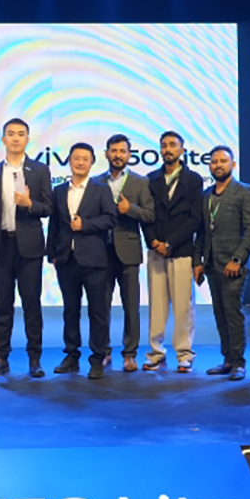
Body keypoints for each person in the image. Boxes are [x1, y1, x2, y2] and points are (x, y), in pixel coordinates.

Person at [0, 118, 53, 377]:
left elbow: (48, 208)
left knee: (31, 305)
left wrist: (29, 203)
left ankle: (35, 359)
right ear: (3, 139)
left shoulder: (40, 170)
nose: (15, 138)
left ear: (27, 139)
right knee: (3, 306)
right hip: (1, 247)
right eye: (10, 134)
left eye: (21, 134)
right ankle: (1, 358)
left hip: (29, 248)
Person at [47, 143, 118, 379]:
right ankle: (71, 355)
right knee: (71, 310)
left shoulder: (101, 190)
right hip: (66, 260)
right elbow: (54, 224)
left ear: (92, 162)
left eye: (85, 159)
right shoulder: (58, 191)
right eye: (76, 158)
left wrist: (85, 224)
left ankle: (97, 358)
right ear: (69, 161)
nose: (80, 162)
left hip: (95, 260)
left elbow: (111, 219)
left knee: (98, 311)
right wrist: (52, 253)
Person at [92, 134, 155, 372]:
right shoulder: (96, 182)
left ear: (129, 154)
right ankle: (103, 351)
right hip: (101, 253)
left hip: (128, 252)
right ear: (106, 153)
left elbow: (150, 214)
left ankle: (130, 354)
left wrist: (131, 209)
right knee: (101, 306)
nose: (118, 155)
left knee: (131, 306)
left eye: (122, 151)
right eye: (114, 150)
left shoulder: (141, 182)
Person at [194, 146, 250, 381]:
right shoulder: (206, 195)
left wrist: (237, 260)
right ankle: (228, 359)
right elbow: (202, 232)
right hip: (211, 265)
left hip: (234, 266)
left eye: (223, 161)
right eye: (214, 162)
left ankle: (239, 362)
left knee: (233, 314)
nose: (218, 165)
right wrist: (197, 262)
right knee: (219, 314)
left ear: (233, 165)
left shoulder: (245, 192)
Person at [142, 131, 204, 372]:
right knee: (156, 306)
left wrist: (170, 243)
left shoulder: (194, 180)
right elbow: (146, 216)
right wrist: (154, 242)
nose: (168, 149)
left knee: (183, 307)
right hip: (156, 250)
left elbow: (194, 219)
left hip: (181, 249)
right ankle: (156, 353)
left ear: (182, 150)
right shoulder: (150, 179)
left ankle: (184, 353)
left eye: (172, 145)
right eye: (164, 145)